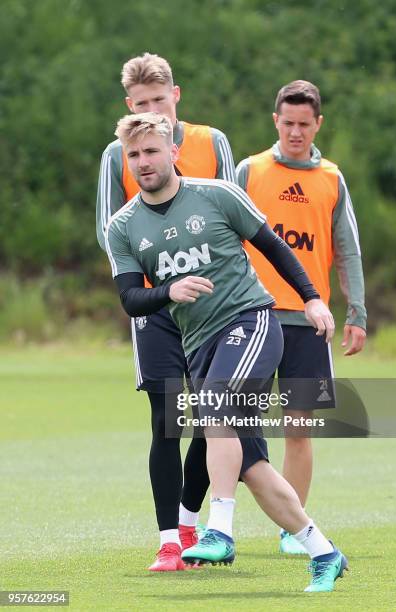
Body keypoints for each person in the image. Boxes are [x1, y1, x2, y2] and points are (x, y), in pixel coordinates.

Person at [105, 111, 348, 593]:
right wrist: (168, 293)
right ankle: (325, 553)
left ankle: (219, 530)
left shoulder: (217, 195)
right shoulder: (123, 226)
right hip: (199, 346)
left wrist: (313, 298)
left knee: (214, 405)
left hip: (251, 321)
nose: (143, 162)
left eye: (151, 151)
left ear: (173, 151)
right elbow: (131, 298)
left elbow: (275, 248)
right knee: (253, 467)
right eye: (133, 155)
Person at [96, 52, 236, 571]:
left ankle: (189, 520)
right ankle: (168, 542)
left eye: (159, 100)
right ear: (128, 106)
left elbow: (237, 216)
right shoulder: (117, 154)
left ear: (175, 97)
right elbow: (109, 230)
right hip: (154, 307)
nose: (151, 110)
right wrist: (150, 281)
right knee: (165, 421)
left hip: (213, 305)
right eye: (141, 103)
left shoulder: (212, 142)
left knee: (210, 418)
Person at [237, 80, 367, 554]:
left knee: (298, 426)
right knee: (230, 422)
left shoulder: (331, 178)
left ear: (318, 125)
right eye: (287, 123)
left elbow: (347, 250)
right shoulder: (249, 170)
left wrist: (357, 312)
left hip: (309, 326)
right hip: (250, 318)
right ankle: (220, 525)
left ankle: (294, 531)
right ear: (276, 121)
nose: (295, 132)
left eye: (304, 125)